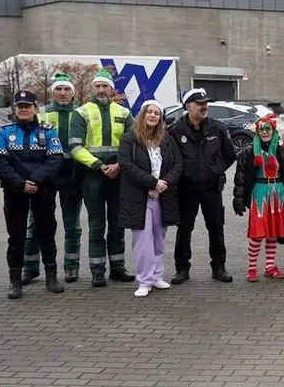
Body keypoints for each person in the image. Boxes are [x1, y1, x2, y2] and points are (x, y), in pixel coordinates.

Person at [0, 91, 65, 299]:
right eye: (20, 106)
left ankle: (52, 277)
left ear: (35, 108)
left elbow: (55, 160)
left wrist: (35, 181)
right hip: (16, 191)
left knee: (47, 235)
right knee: (16, 237)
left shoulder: (48, 131)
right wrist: (20, 184)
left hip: (43, 190)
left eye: (28, 106)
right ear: (15, 109)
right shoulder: (5, 133)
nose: (24, 109)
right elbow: (0, 162)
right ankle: (15, 281)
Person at [68, 68, 135, 287]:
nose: (101, 89)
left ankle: (118, 267)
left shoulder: (124, 113)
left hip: (118, 174)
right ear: (92, 88)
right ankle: (97, 270)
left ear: (112, 88)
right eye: (97, 86)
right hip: (93, 176)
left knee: (118, 222)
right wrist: (98, 165)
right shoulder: (82, 112)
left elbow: (133, 144)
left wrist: (119, 165)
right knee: (97, 223)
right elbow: (75, 147)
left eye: (104, 85)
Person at [167, 88, 236, 285]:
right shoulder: (175, 131)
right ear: (188, 106)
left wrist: (216, 169)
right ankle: (181, 269)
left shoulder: (218, 128)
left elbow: (230, 155)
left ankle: (219, 267)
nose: (204, 106)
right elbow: (169, 159)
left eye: (206, 103)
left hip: (211, 188)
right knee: (184, 229)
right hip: (186, 190)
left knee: (216, 227)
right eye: (199, 103)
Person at [23, 73, 84, 284]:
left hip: (72, 176)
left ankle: (71, 266)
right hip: (45, 176)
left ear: (73, 93)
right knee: (35, 223)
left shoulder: (81, 113)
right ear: (52, 92)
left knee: (72, 224)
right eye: (58, 89)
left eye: (67, 89)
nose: (63, 93)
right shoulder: (41, 114)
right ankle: (30, 267)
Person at [118, 101, 183, 297]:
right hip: (140, 197)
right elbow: (127, 165)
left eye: (157, 113)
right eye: (150, 112)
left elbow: (177, 164)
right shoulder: (129, 138)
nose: (153, 116)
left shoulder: (166, 139)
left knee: (158, 239)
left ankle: (157, 276)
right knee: (142, 241)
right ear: (143, 115)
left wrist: (164, 183)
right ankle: (144, 280)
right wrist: (152, 182)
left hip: (162, 197)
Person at [232, 114, 284, 281]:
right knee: (258, 233)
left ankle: (270, 266)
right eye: (262, 129)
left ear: (273, 131)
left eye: (268, 129)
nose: (265, 132)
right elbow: (241, 176)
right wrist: (238, 197)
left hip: (278, 192)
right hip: (259, 192)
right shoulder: (249, 151)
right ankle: (251, 268)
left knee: (272, 232)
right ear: (257, 131)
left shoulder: (279, 150)